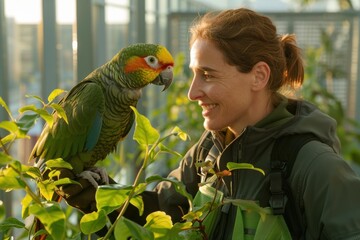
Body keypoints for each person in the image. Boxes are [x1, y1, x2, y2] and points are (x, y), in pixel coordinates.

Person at [58, 8, 360, 239]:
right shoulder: (209, 149)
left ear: (259, 76)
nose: (192, 92)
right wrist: (97, 196)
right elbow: (161, 210)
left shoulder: (314, 166)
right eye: (193, 73)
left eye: (208, 75)